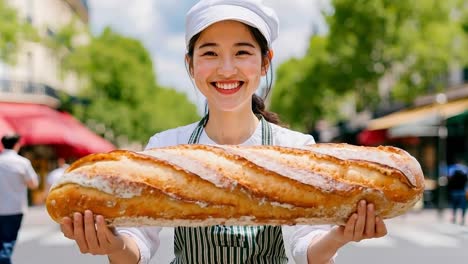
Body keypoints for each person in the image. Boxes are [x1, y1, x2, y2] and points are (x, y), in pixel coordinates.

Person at [59, 1, 388, 263]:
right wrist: (112, 244)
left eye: (242, 52)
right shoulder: (166, 147)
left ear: (264, 62)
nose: (226, 68)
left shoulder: (296, 149)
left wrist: (340, 236)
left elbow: (306, 248)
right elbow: (139, 247)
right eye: (210, 53)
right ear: (191, 64)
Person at [0, 134, 39, 264]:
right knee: (7, 243)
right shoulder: (22, 162)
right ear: (17, 145)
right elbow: (33, 184)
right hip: (14, 208)